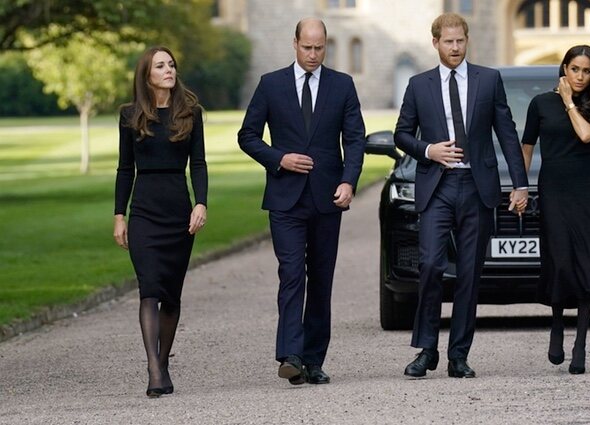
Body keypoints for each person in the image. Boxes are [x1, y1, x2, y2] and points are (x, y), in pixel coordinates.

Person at [395, 13, 529, 379]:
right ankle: (426, 349)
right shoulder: (418, 85)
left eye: (460, 41)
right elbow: (401, 134)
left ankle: (459, 355)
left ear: (467, 40)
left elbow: (506, 132)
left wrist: (520, 184)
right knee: (431, 265)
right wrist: (429, 151)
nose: (455, 48)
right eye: (448, 42)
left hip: (477, 186)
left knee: (470, 272)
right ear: (435, 42)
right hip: (437, 186)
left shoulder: (489, 80)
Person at [238, 18, 366, 386]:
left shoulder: (342, 85)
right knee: (292, 273)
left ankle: (313, 360)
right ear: (294, 43)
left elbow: (355, 139)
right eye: (307, 47)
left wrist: (348, 181)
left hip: (328, 198)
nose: (313, 55)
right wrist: (279, 158)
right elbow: (247, 135)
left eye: (319, 48)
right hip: (285, 198)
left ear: (326, 46)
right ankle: (290, 354)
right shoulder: (271, 84)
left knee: (321, 280)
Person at [113, 46, 207, 397]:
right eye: (160, 65)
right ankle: (154, 370)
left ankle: (163, 361)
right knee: (149, 288)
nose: (168, 70)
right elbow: (125, 169)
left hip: (178, 213)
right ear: (147, 75)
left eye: (171, 64)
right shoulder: (130, 115)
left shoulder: (190, 113)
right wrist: (119, 215)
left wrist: (201, 203)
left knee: (171, 294)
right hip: (144, 214)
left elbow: (198, 163)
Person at [520, 45, 590, 375]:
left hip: (586, 188)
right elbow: (527, 147)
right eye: (575, 69)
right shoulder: (540, 104)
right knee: (560, 260)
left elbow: (586, 134)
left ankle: (581, 344)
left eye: (587, 71)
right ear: (564, 68)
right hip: (554, 189)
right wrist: (521, 185)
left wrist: (569, 103)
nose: (580, 76)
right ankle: (558, 325)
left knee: (587, 260)